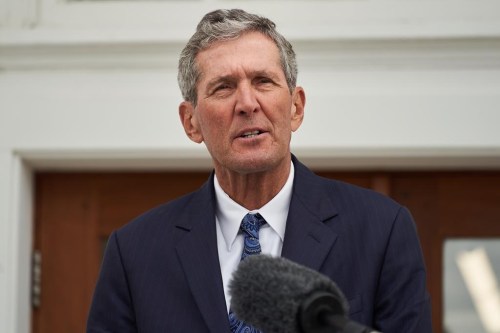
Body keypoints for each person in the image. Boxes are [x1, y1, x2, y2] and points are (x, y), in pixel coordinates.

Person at [87, 8, 432, 333]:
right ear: (191, 122)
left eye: (263, 81)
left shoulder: (381, 229)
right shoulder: (134, 252)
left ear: (296, 107)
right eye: (223, 87)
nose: (248, 104)